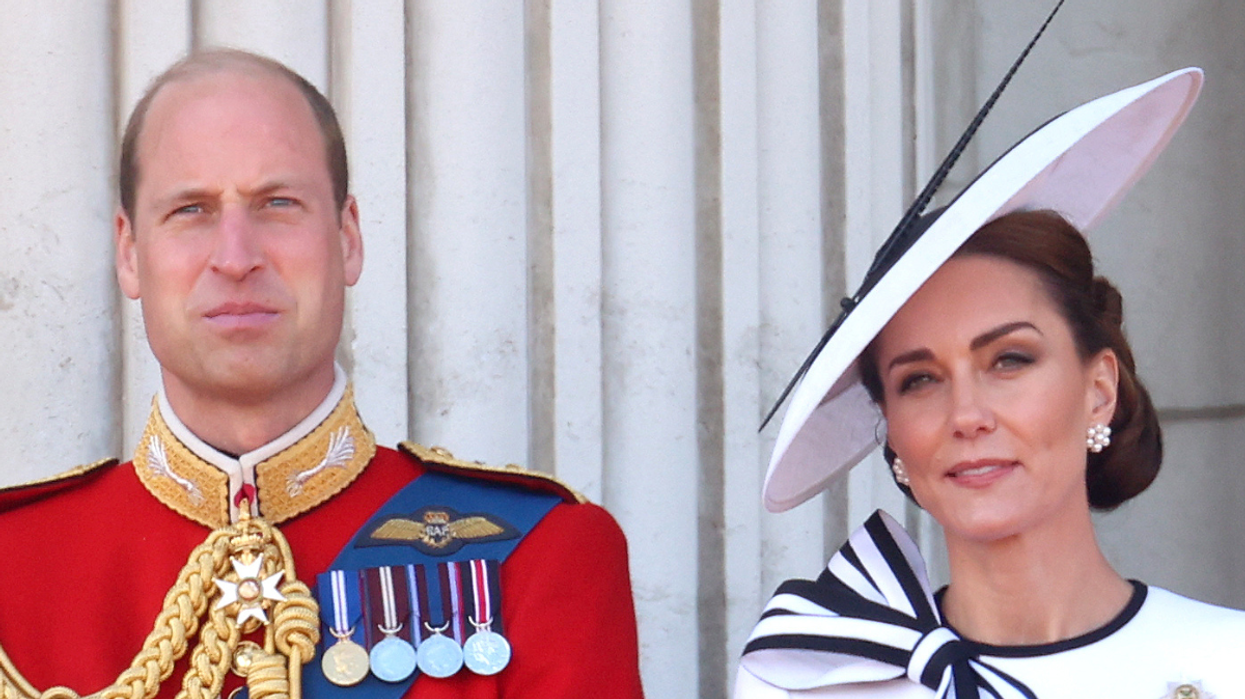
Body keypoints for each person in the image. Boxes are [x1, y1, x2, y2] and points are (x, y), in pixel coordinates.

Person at [0, 49, 644, 699]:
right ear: (130, 253)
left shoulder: (537, 554)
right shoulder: (13, 562)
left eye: (278, 203)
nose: (236, 257)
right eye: (191, 209)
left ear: (348, 239)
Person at [735, 69, 1245, 698]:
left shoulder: (1231, 663)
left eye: (1009, 360)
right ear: (892, 431)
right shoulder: (810, 683)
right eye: (920, 380)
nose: (966, 415)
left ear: (1099, 391)